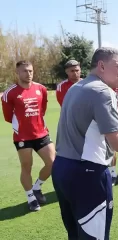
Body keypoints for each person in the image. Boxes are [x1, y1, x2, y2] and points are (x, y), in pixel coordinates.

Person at [52, 47, 118, 240]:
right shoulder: (102, 91)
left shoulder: (75, 88)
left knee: (75, 234)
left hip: (61, 169)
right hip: (87, 174)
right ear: (101, 65)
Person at [1, 60, 55, 211]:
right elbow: (7, 117)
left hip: (41, 133)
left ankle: (37, 187)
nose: (28, 74)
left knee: (53, 163)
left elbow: (42, 109)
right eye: (24, 71)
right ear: (17, 73)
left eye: (30, 71)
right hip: (22, 137)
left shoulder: (41, 89)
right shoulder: (9, 93)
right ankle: (31, 197)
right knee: (27, 167)